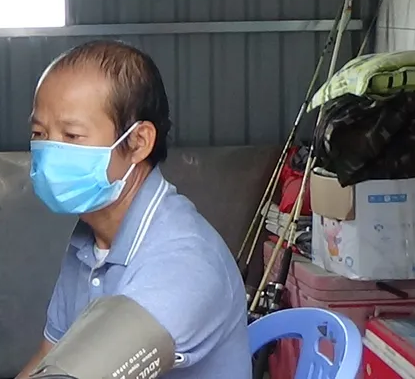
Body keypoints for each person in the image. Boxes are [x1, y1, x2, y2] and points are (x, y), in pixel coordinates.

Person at [17, 40, 252, 379]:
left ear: (138, 142)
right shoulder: (89, 242)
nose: (50, 150)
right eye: (39, 133)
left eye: (72, 135)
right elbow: (49, 356)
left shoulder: (185, 262)